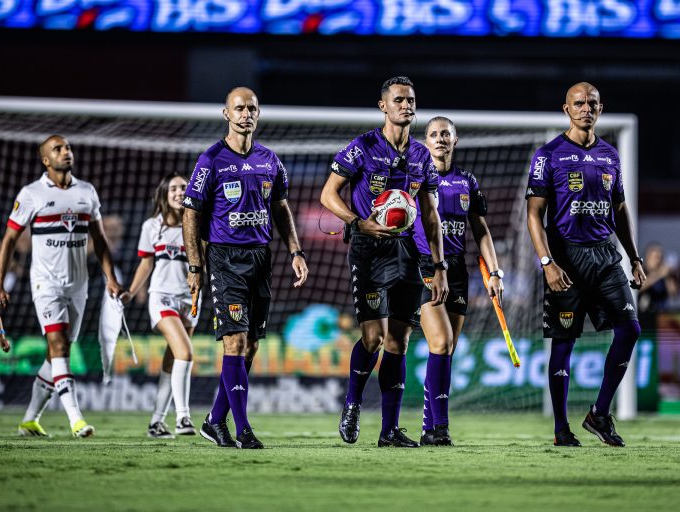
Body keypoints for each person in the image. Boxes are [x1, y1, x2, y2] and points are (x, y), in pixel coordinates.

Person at [320, 76, 448, 448]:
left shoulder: (423, 156)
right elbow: (328, 194)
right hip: (368, 249)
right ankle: (353, 402)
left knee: (399, 342)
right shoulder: (362, 148)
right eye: (398, 100)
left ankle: (389, 430)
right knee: (373, 337)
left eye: (411, 100)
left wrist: (437, 267)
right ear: (383, 106)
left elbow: (430, 214)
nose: (406, 106)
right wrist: (358, 222)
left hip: (408, 253)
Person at [183, 87, 309, 449]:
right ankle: (243, 430)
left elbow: (281, 209)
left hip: (260, 258)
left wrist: (296, 251)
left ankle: (213, 421)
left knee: (251, 346)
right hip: (224, 260)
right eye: (239, 108)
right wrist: (195, 265)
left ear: (259, 113)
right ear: (226, 113)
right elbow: (191, 214)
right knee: (234, 343)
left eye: (251, 108)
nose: (245, 114)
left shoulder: (271, 160)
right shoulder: (211, 160)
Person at [525, 82, 646, 447]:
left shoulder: (611, 155)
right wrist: (546, 261)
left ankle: (599, 413)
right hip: (566, 259)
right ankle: (562, 428)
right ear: (566, 109)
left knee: (631, 330)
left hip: (606, 256)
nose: (585, 109)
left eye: (591, 104)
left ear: (600, 108)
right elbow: (533, 214)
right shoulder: (549, 155)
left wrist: (634, 257)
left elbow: (620, 209)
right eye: (578, 104)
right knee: (564, 344)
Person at [0, 135, 124, 438]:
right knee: (60, 346)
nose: (66, 152)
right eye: (58, 149)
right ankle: (76, 419)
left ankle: (30, 419)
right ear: (46, 160)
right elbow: (10, 241)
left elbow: (101, 240)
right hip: (45, 284)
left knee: (56, 355)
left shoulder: (86, 192)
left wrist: (111, 278)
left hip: (79, 285)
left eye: (67, 147)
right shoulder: (31, 194)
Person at [411, 117, 502, 446]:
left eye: (445, 134)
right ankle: (442, 427)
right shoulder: (415, 179)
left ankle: (428, 428)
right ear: (425, 141)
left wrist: (494, 272)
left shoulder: (467, 181)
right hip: (425, 268)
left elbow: (481, 230)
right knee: (440, 343)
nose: (439, 139)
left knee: (446, 351)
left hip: (458, 273)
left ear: (455, 139)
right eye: (433, 134)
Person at [122, 172, 198, 438]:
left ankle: (156, 422)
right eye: (174, 189)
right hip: (162, 296)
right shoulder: (152, 226)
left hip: (190, 301)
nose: (180, 192)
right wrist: (131, 292)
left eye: (184, 188)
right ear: (165, 195)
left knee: (172, 362)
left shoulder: (198, 224)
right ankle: (183, 418)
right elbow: (146, 264)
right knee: (186, 353)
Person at [638, 243, 678, 313]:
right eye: (655, 257)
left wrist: (668, 276)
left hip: (661, 314)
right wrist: (657, 275)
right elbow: (639, 287)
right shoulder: (641, 271)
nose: (657, 261)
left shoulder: (664, 274)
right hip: (644, 314)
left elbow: (673, 293)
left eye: (659, 258)